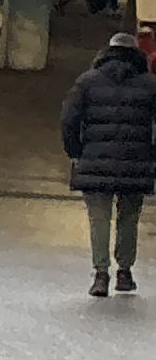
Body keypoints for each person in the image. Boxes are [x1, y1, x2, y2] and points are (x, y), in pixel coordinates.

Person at [62, 20, 153, 298]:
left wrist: (76, 151)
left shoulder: (87, 81)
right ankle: (125, 272)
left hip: (94, 159)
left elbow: (69, 120)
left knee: (99, 218)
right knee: (129, 217)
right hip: (136, 161)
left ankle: (101, 274)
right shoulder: (151, 84)